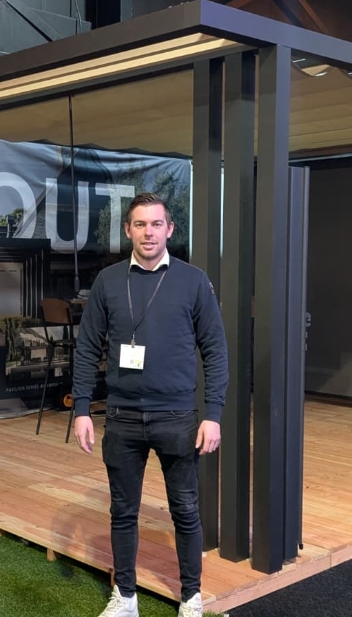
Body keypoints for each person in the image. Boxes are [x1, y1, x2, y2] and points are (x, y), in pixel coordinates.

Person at [71, 192, 228, 617]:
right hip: (121, 417)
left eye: (156, 224)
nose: (148, 233)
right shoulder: (108, 281)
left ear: (170, 229)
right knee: (123, 512)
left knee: (186, 511)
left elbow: (215, 350)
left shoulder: (193, 281)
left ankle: (191, 598)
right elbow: (86, 348)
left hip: (178, 418)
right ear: (128, 230)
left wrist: (213, 415)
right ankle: (125, 597)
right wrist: (81, 408)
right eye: (140, 224)